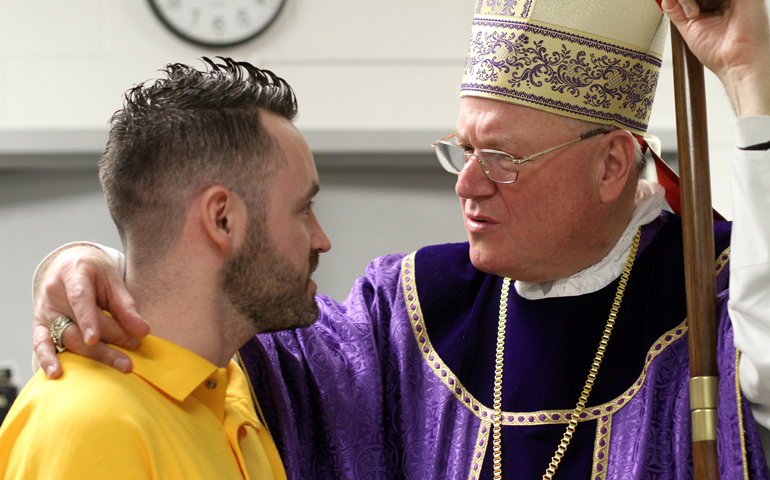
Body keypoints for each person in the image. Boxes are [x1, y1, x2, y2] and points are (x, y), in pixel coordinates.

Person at [27, 0, 770, 478]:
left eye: (503, 158)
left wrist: (749, 79)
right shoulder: (410, 314)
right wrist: (102, 263)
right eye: (461, 149)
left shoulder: (714, 302)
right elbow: (219, 316)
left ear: (612, 163)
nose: (467, 184)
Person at [0, 58, 332, 479]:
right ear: (222, 219)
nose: (321, 239)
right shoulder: (89, 423)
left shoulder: (232, 397)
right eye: (302, 209)